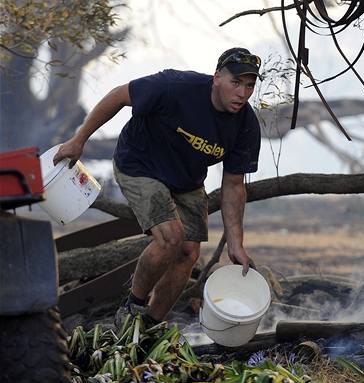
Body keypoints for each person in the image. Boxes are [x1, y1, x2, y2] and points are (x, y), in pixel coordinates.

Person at [53, 47, 263, 327]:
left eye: (249, 86)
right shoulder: (175, 87)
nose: (242, 93)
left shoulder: (246, 125)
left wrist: (236, 243)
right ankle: (132, 307)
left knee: (189, 251)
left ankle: (148, 326)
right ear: (216, 78)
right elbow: (118, 95)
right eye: (235, 83)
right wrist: (79, 140)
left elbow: (234, 184)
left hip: (186, 180)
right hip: (139, 164)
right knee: (171, 237)